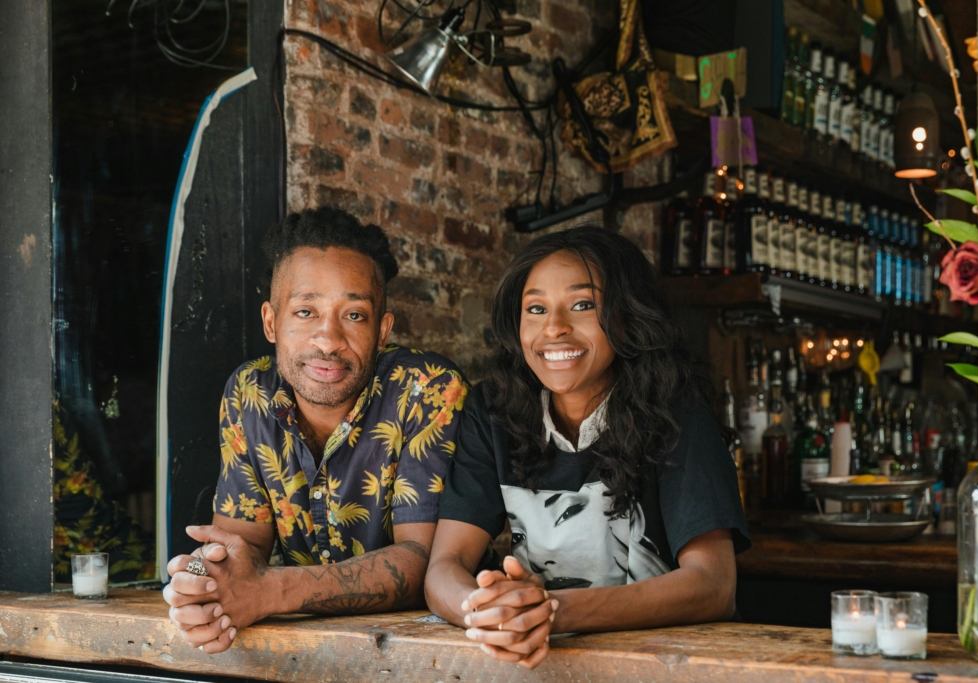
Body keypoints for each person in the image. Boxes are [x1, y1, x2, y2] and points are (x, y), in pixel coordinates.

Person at [424, 225, 749, 669]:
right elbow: (444, 567)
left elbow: (713, 585)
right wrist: (489, 614)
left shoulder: (676, 408)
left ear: (626, 314)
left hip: (666, 668)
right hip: (541, 665)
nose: (554, 328)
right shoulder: (493, 409)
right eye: (535, 309)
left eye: (582, 304)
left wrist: (551, 611)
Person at [162, 207, 468, 653]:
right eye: (306, 311)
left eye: (355, 316)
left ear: (383, 331)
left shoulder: (426, 389)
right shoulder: (249, 393)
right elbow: (242, 543)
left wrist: (270, 591)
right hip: (300, 651)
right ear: (271, 321)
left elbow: (422, 563)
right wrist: (206, 582)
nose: (328, 339)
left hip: (427, 655)